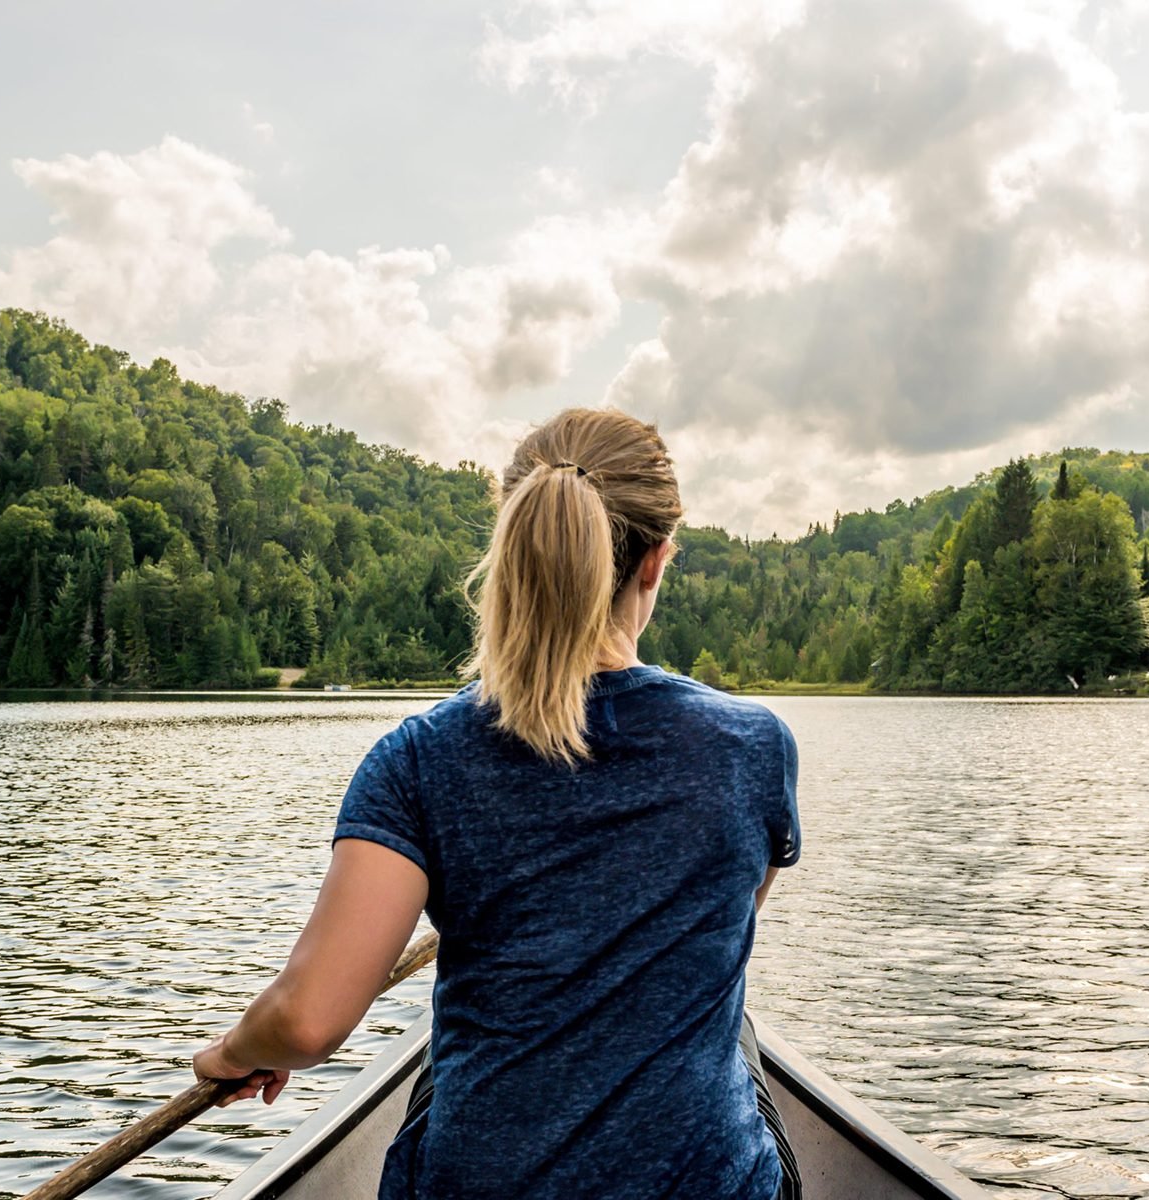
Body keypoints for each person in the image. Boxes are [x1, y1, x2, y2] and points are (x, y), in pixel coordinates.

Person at [193, 407, 803, 1199]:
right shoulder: (752, 745)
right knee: (736, 1035)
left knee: (440, 1075)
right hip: (704, 1186)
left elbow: (307, 1023)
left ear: (512, 548)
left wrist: (237, 1050)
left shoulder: (420, 757)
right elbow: (736, 912)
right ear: (657, 561)